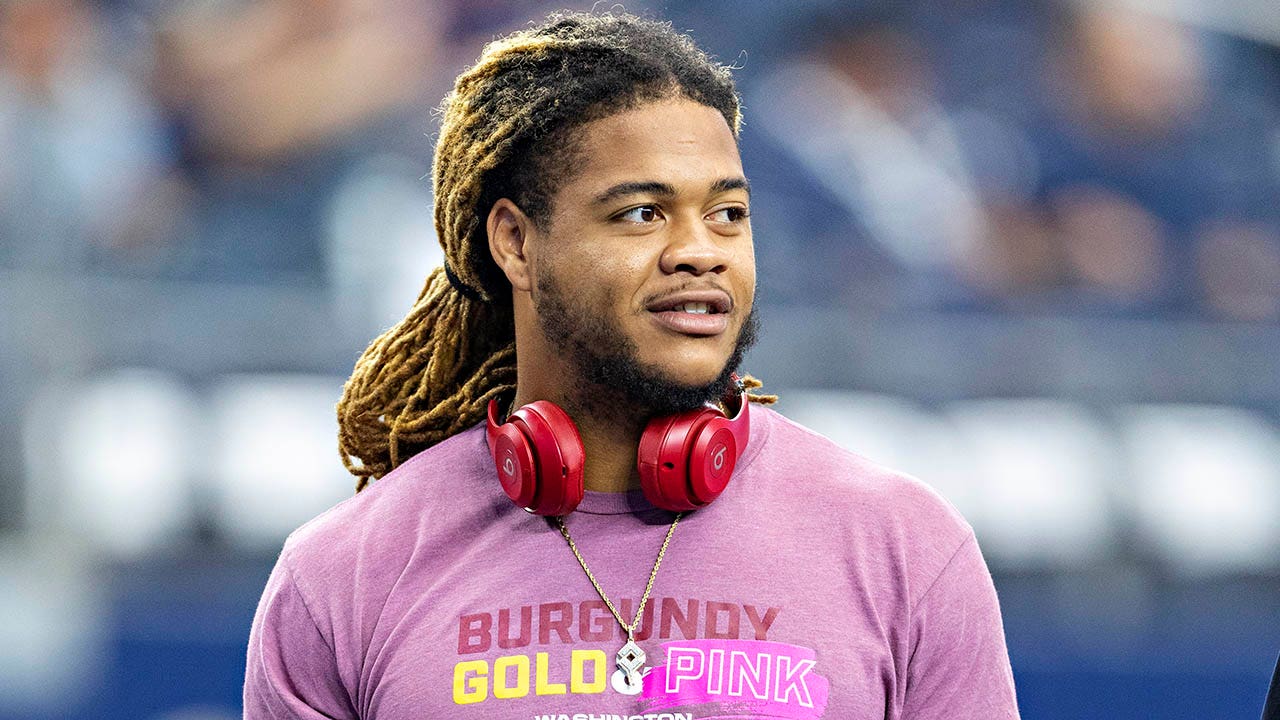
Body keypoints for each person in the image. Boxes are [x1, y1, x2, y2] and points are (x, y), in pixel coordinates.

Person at [242, 11, 1020, 719]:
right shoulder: (344, 577)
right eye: (642, 213)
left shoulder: (905, 549)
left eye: (728, 214)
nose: (699, 253)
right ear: (515, 242)